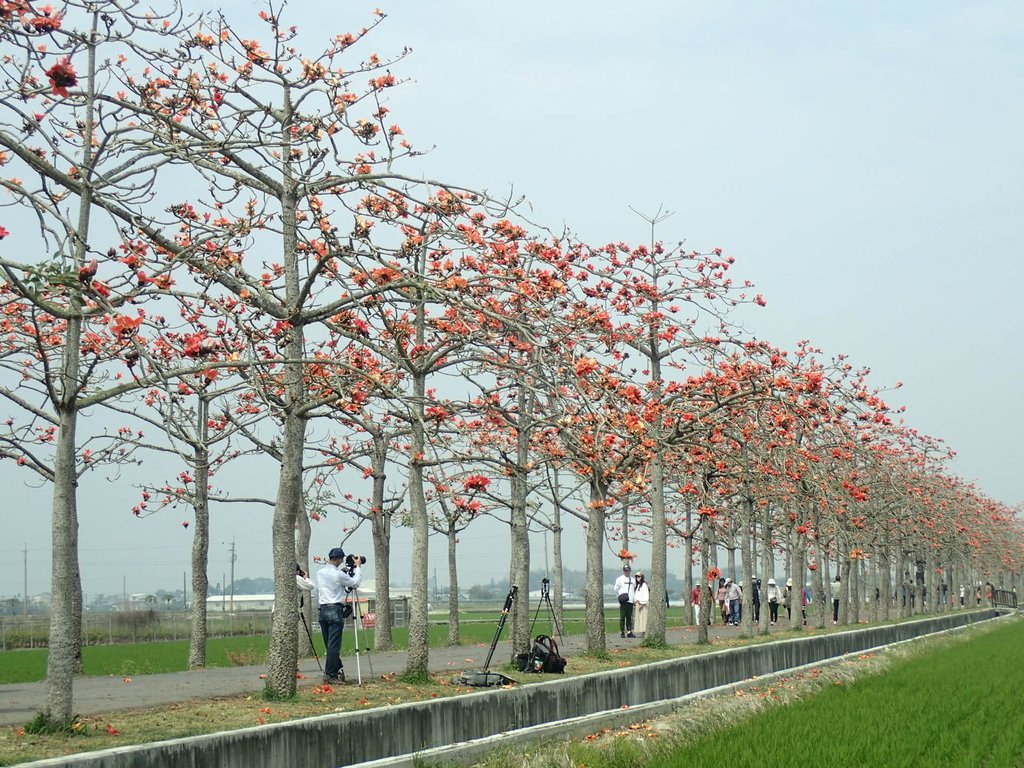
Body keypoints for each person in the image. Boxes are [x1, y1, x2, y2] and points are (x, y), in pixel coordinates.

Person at [316, 547, 362, 684]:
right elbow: (355, 583)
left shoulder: (320, 572)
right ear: (339, 559)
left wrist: (342, 573)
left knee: (329, 645)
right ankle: (330, 675)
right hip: (335, 610)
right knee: (334, 646)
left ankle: (337, 670)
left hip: (322, 610)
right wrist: (358, 567)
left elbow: (331, 581)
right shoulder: (339, 575)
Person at [614, 564, 635, 637]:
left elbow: (634, 589)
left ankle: (629, 631)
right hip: (623, 600)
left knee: (629, 617)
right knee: (622, 617)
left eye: (628, 570)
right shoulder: (620, 579)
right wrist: (619, 596)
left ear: (630, 571)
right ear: (623, 571)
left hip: (630, 600)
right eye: (625, 570)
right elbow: (615, 589)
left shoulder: (633, 580)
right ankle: (622, 631)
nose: (626, 572)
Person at [633, 572, 650, 639]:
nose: (637, 578)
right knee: (639, 619)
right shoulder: (638, 586)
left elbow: (646, 596)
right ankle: (641, 632)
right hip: (637, 604)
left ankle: (644, 632)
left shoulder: (644, 585)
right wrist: (635, 601)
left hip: (642, 604)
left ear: (642, 577)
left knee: (644, 619)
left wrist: (642, 602)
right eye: (636, 577)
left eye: (639, 576)